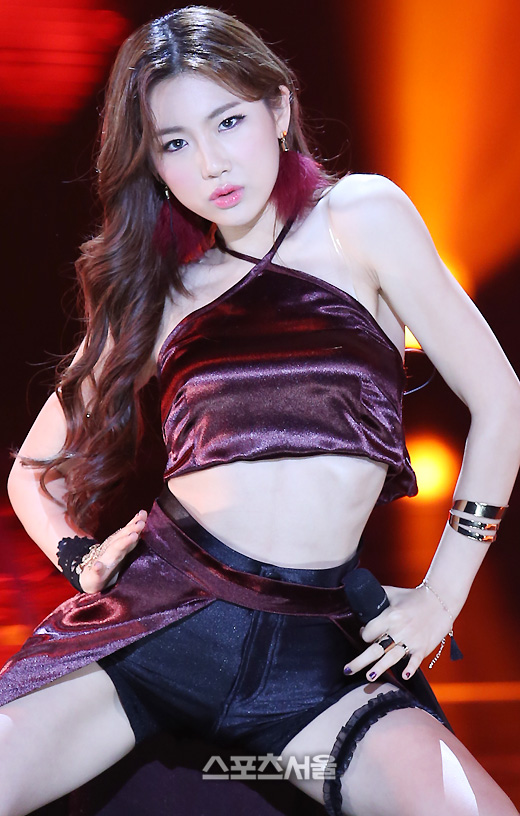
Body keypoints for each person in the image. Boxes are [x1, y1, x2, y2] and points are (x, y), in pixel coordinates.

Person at [1, 6, 519, 816]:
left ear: (278, 109)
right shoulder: (165, 293)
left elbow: (501, 400)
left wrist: (442, 596)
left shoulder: (361, 218)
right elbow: (34, 471)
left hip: (317, 657)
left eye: (228, 121)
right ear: (153, 165)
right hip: (155, 626)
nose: (211, 163)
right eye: (175, 143)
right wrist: (81, 559)